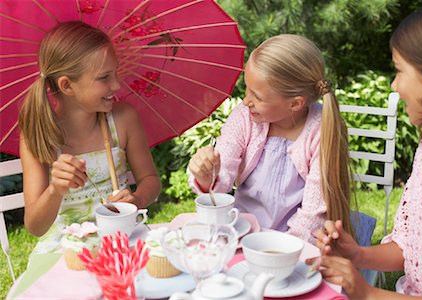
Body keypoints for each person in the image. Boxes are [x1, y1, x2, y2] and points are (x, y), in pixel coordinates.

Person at [311, 1, 422, 298]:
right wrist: (357, 254)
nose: (394, 86)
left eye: (399, 71)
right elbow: (408, 248)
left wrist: (368, 293)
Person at [188, 34, 353, 243]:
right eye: (247, 89)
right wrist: (206, 174)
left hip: (298, 243)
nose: (246, 100)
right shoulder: (244, 118)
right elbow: (220, 180)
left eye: (257, 96)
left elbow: (314, 215)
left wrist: (280, 250)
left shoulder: (321, 129)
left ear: (295, 103)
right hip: (241, 233)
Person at [18, 21, 161, 255]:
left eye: (116, 73)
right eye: (104, 77)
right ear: (67, 85)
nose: (116, 84)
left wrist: (136, 199)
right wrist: (55, 189)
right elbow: (35, 226)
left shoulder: (124, 119)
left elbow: (151, 180)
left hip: (124, 238)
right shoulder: (38, 134)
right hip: (66, 249)